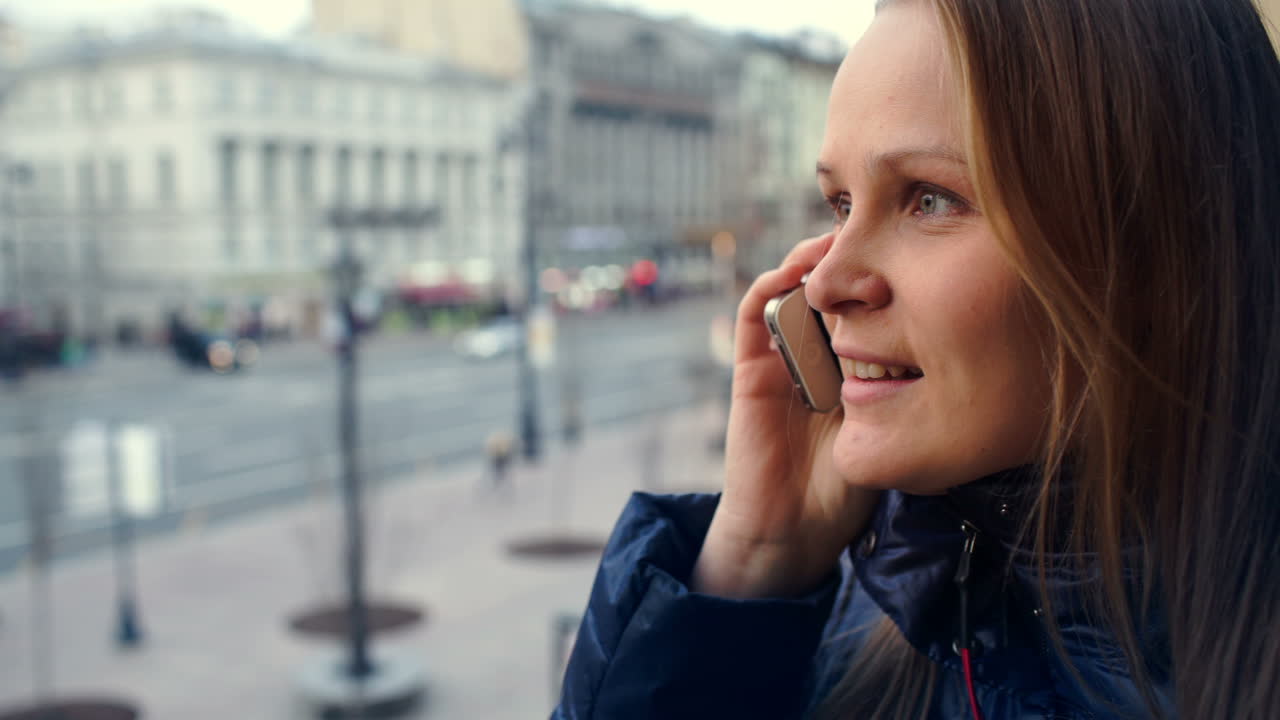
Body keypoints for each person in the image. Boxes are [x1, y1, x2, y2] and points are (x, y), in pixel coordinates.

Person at [552, 0, 1280, 718]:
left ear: (1157, 248)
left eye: (929, 199)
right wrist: (753, 561)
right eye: (840, 204)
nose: (827, 283)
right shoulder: (866, 625)